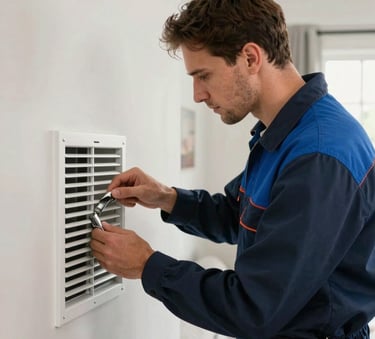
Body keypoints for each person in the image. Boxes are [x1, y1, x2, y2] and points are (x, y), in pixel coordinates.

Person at [90, 0, 375, 338]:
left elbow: (254, 307)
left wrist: (148, 265)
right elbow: (239, 217)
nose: (197, 95)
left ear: (250, 58)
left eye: (203, 75)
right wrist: (166, 198)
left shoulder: (318, 156)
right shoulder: (283, 135)